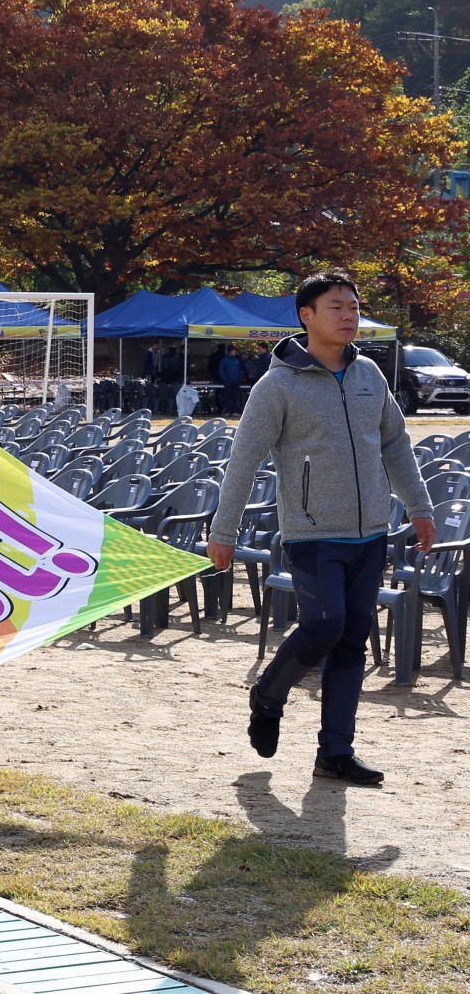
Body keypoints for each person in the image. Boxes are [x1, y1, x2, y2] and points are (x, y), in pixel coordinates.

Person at [208, 272, 432, 787]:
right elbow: (243, 460)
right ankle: (268, 693)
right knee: (323, 627)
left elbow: (396, 445)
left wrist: (418, 507)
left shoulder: (370, 374)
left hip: (371, 533)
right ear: (306, 316)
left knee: (353, 639)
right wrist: (224, 531)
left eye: (353, 306)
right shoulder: (278, 385)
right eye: (337, 307)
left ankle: (335, 753)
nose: (350, 315)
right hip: (312, 535)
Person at [218, 343, 244, 416]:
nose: (235, 352)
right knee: (227, 396)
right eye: (234, 350)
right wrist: (225, 380)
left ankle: (235, 411)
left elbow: (239, 370)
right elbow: (221, 371)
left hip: (236, 381)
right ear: (230, 351)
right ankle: (227, 411)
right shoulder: (224, 360)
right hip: (228, 382)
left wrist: (239, 378)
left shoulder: (237, 360)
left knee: (235, 397)